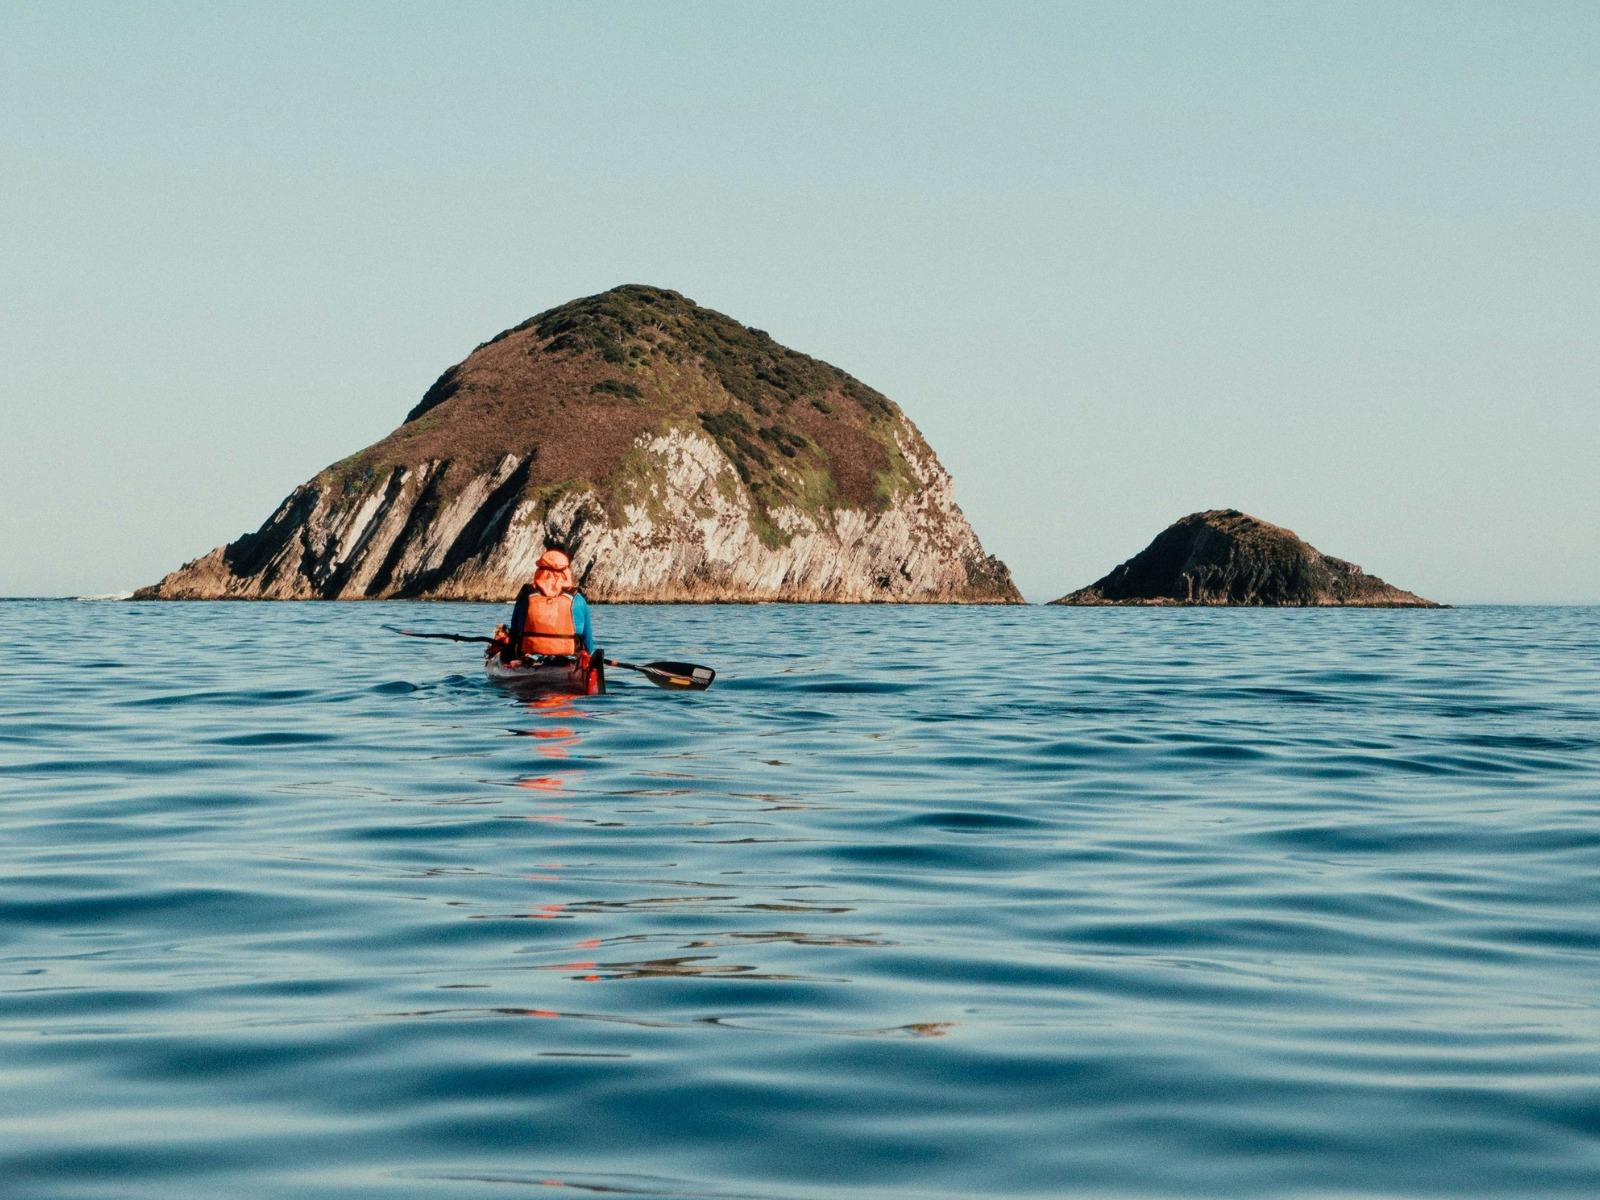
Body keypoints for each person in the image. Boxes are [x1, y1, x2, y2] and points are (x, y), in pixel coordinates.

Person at [494, 547, 597, 667]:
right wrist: (588, 659)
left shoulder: (526, 597)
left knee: (507, 644)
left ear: (539, 571)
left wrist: (507, 655)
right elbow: (588, 642)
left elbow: (515, 632)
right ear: (566, 573)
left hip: (529, 658)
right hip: (567, 660)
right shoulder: (578, 599)